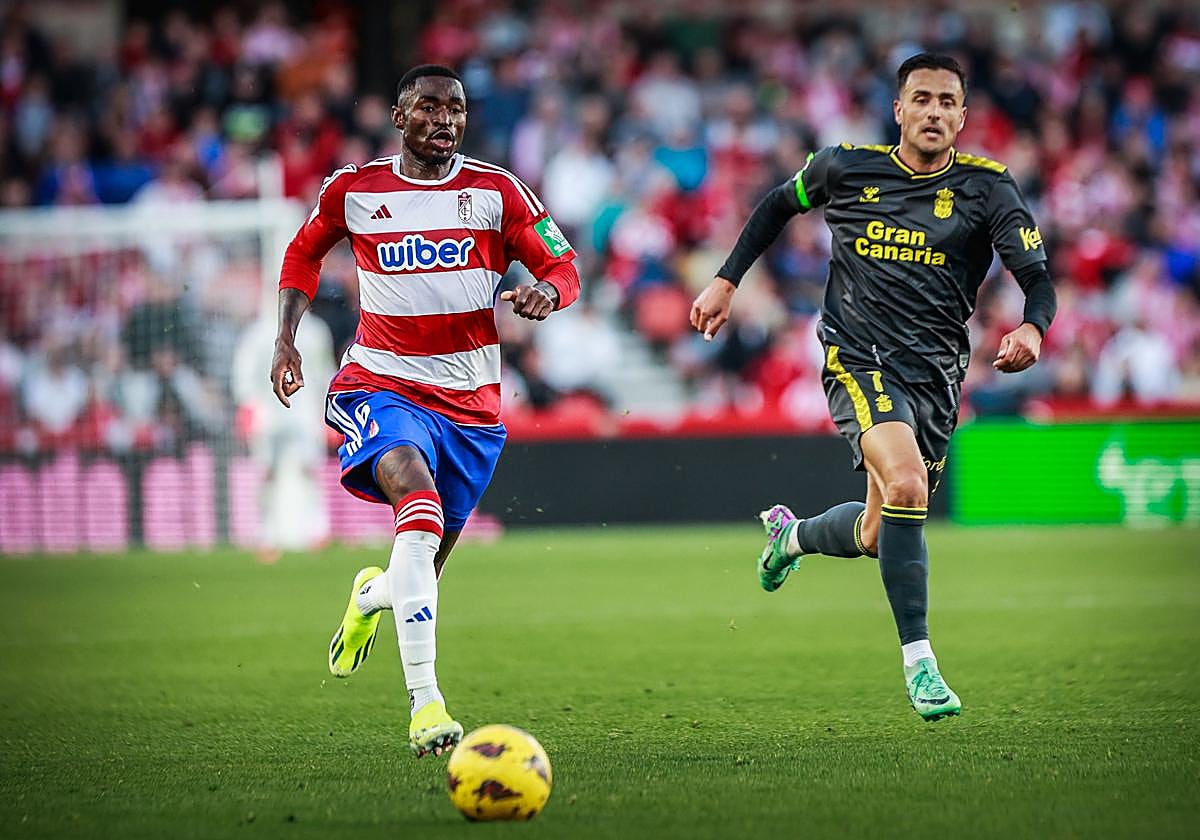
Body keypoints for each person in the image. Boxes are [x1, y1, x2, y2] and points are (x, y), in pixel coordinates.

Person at [690, 53, 1056, 721]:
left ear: (964, 116)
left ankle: (791, 538)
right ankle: (921, 665)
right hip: (859, 359)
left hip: (938, 376)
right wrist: (726, 279)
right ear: (899, 110)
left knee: (875, 532)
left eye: (948, 102)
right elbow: (776, 205)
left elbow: (1037, 279)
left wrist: (1033, 329)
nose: (935, 112)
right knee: (910, 485)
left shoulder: (989, 188)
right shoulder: (846, 166)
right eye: (923, 99)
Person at [270, 65, 580, 756]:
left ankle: (371, 597)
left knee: (421, 567)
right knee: (417, 498)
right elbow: (301, 255)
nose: (446, 120)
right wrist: (285, 338)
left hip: (471, 408)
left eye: (457, 109)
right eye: (430, 107)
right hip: (380, 384)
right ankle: (426, 705)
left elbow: (564, 266)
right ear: (399, 115)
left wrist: (548, 295)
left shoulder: (498, 192)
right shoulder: (355, 189)